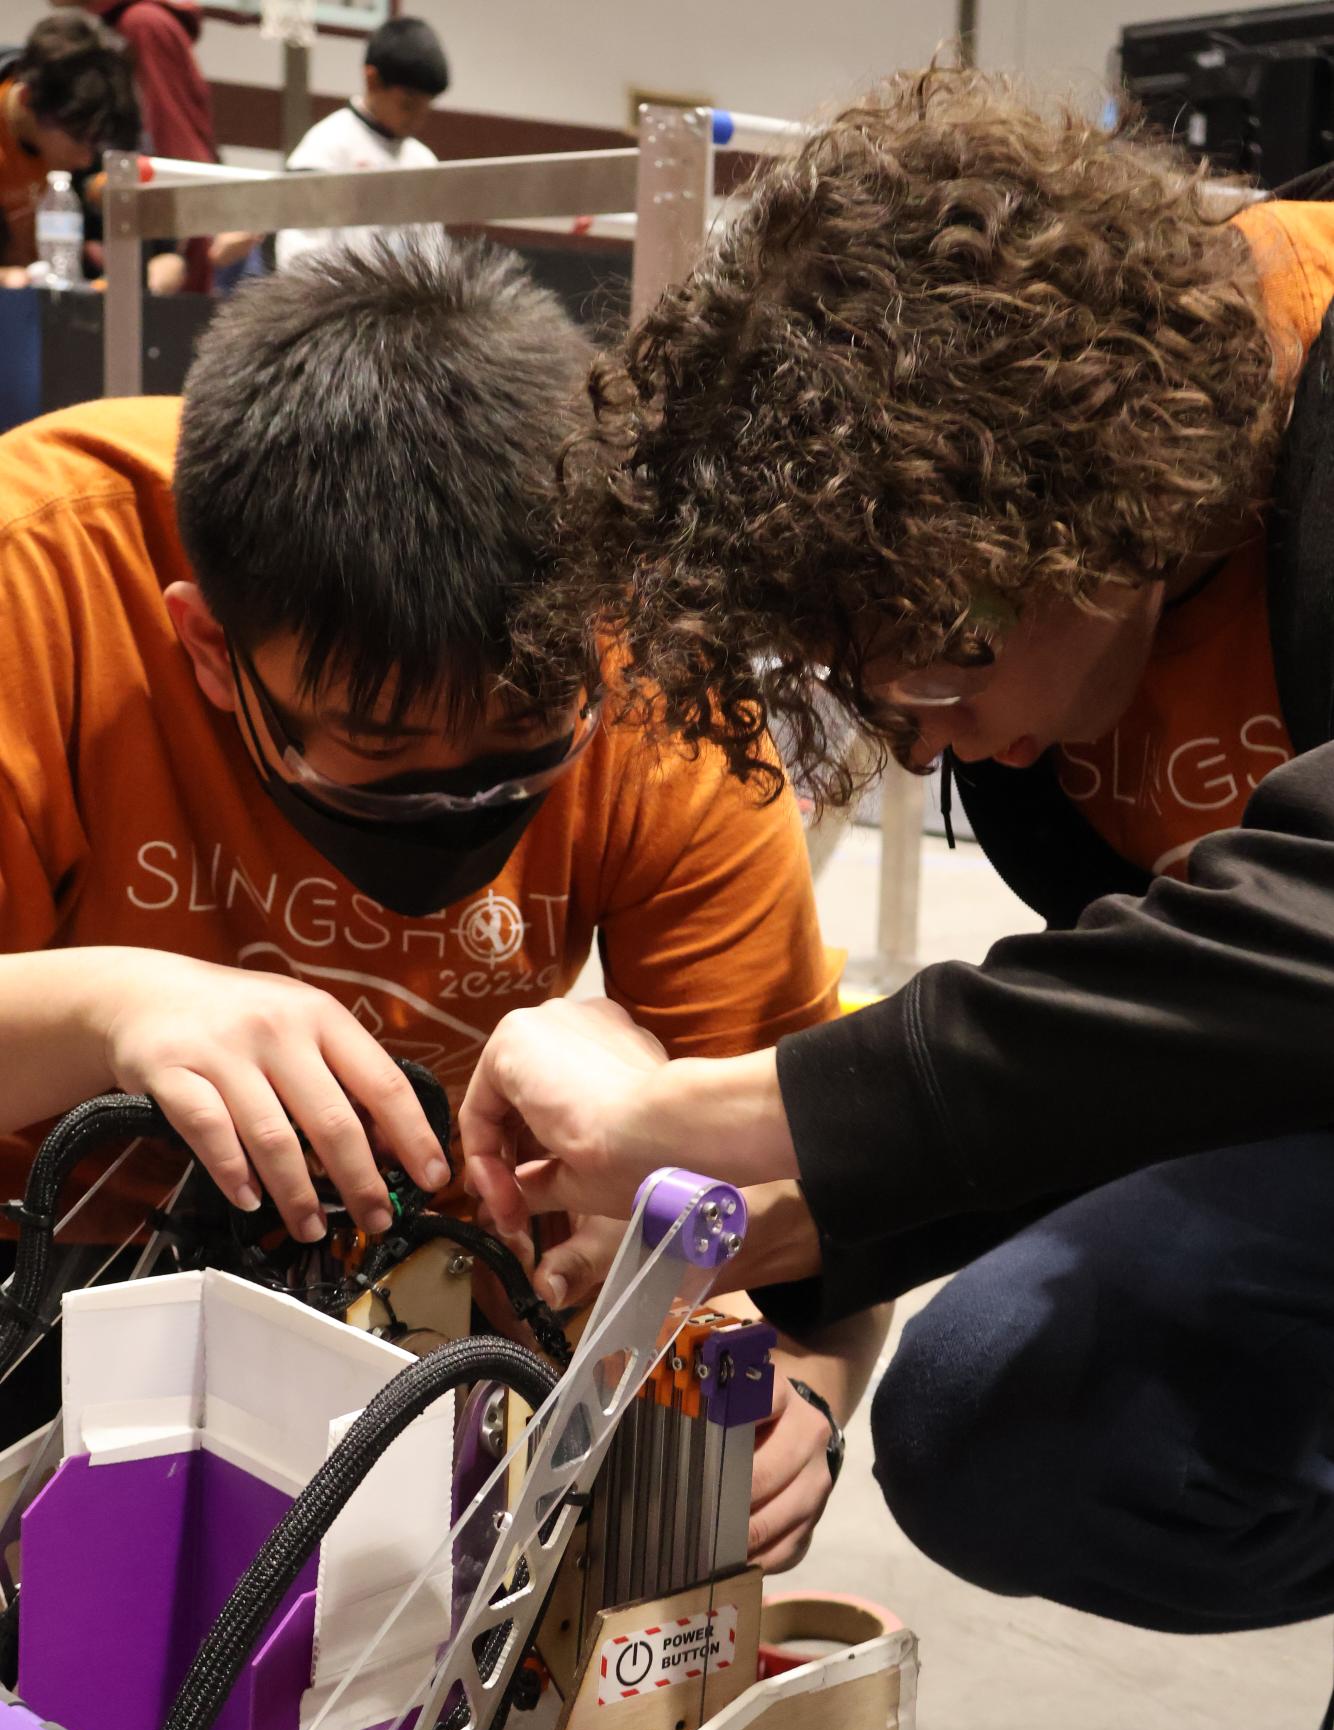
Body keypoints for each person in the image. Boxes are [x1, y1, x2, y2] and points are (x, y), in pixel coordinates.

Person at [458, 66, 1334, 1730]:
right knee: (1000, 1404)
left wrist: (746, 1105)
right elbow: (1188, 1030)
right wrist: (811, 1234)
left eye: (932, 672)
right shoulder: (1058, 693)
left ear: (1065, 502)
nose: (926, 749)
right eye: (876, 701)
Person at [0, 235, 869, 1567]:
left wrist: (802, 1383)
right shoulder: (38, 576)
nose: (457, 799)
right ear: (206, 649)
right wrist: (117, 1005)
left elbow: (819, 1185)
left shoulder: (656, 665)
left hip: (419, 1270)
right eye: (378, 747)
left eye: (528, 727)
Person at [56, 0, 220, 293]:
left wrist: (179, 247)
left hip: (170, 235)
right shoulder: (128, 25)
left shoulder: (143, 24)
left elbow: (173, 134)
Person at [274, 16, 449, 272]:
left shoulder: (423, 161)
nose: (416, 120)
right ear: (372, 80)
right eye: (408, 106)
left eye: (426, 109)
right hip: (336, 306)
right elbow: (298, 259)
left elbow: (431, 257)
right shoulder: (325, 148)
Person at [0, 11, 137, 283]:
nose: (87, 159)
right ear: (27, 100)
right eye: (79, 139)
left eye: (95, 143)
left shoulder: (80, 118)